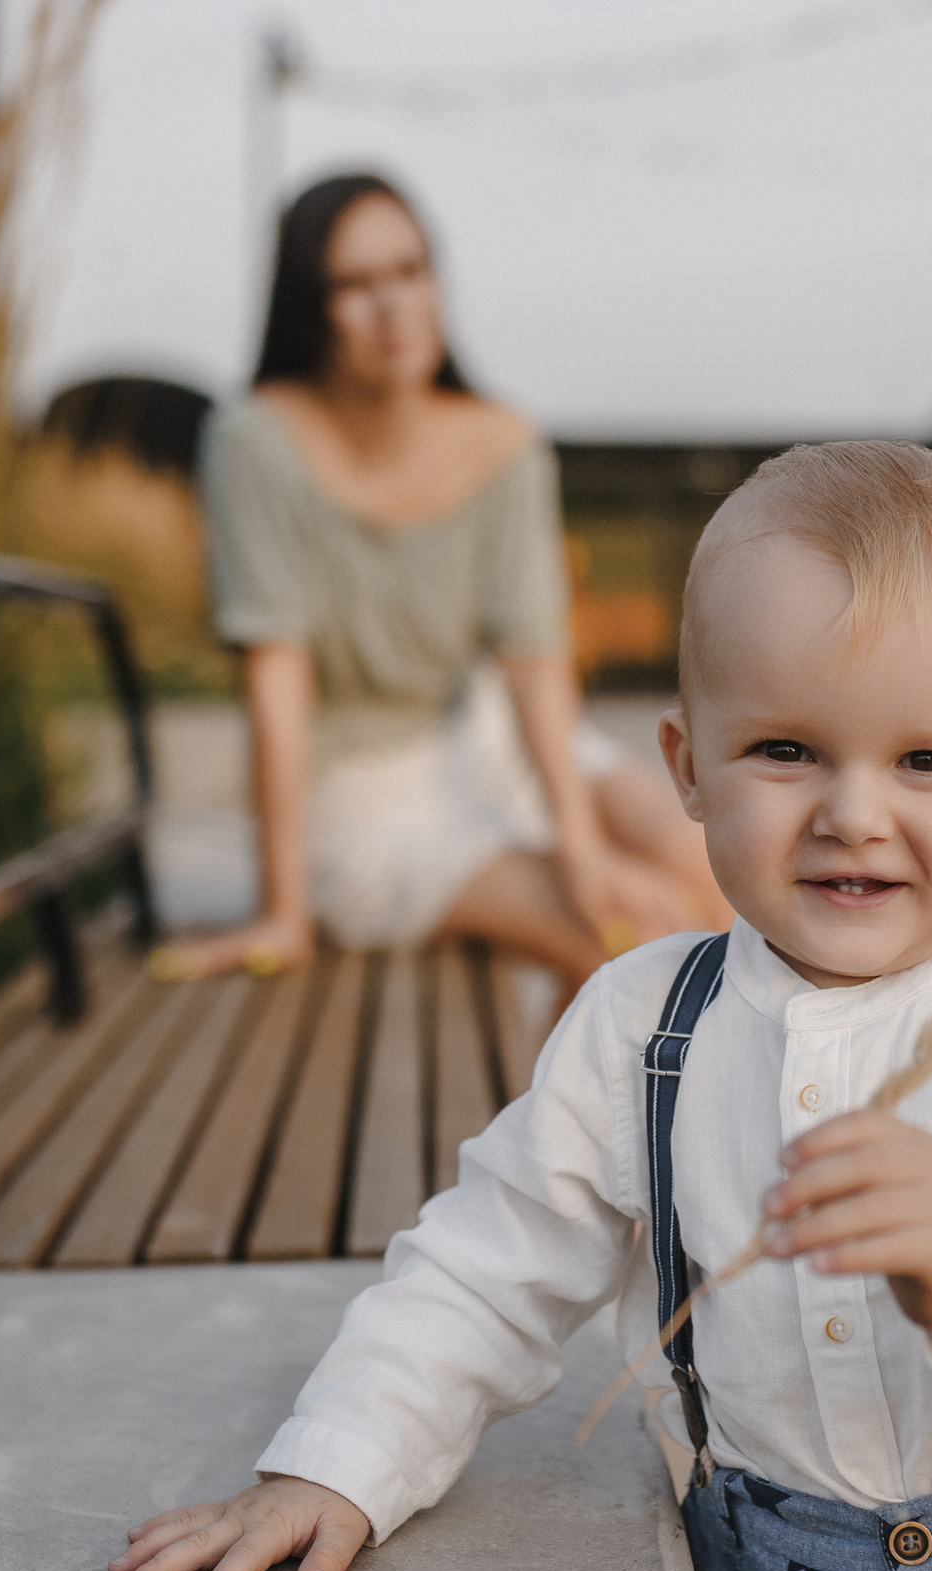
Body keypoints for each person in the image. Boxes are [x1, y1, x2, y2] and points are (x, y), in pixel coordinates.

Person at [112, 443, 932, 1571]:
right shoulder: (642, 1022)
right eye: (785, 750)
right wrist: (337, 1461)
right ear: (686, 770)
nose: (852, 814)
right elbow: (486, 1263)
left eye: (926, 761)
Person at [151, 172, 724, 987]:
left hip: (489, 741)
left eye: (411, 270)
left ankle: (809, 1111)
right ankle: (583, 1113)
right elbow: (275, 682)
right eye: (354, 284)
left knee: (707, 867)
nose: (394, 306)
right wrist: (282, 909)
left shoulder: (504, 442)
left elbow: (534, 659)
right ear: (308, 305)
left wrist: (581, 846)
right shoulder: (255, 441)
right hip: (362, 797)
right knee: (630, 937)